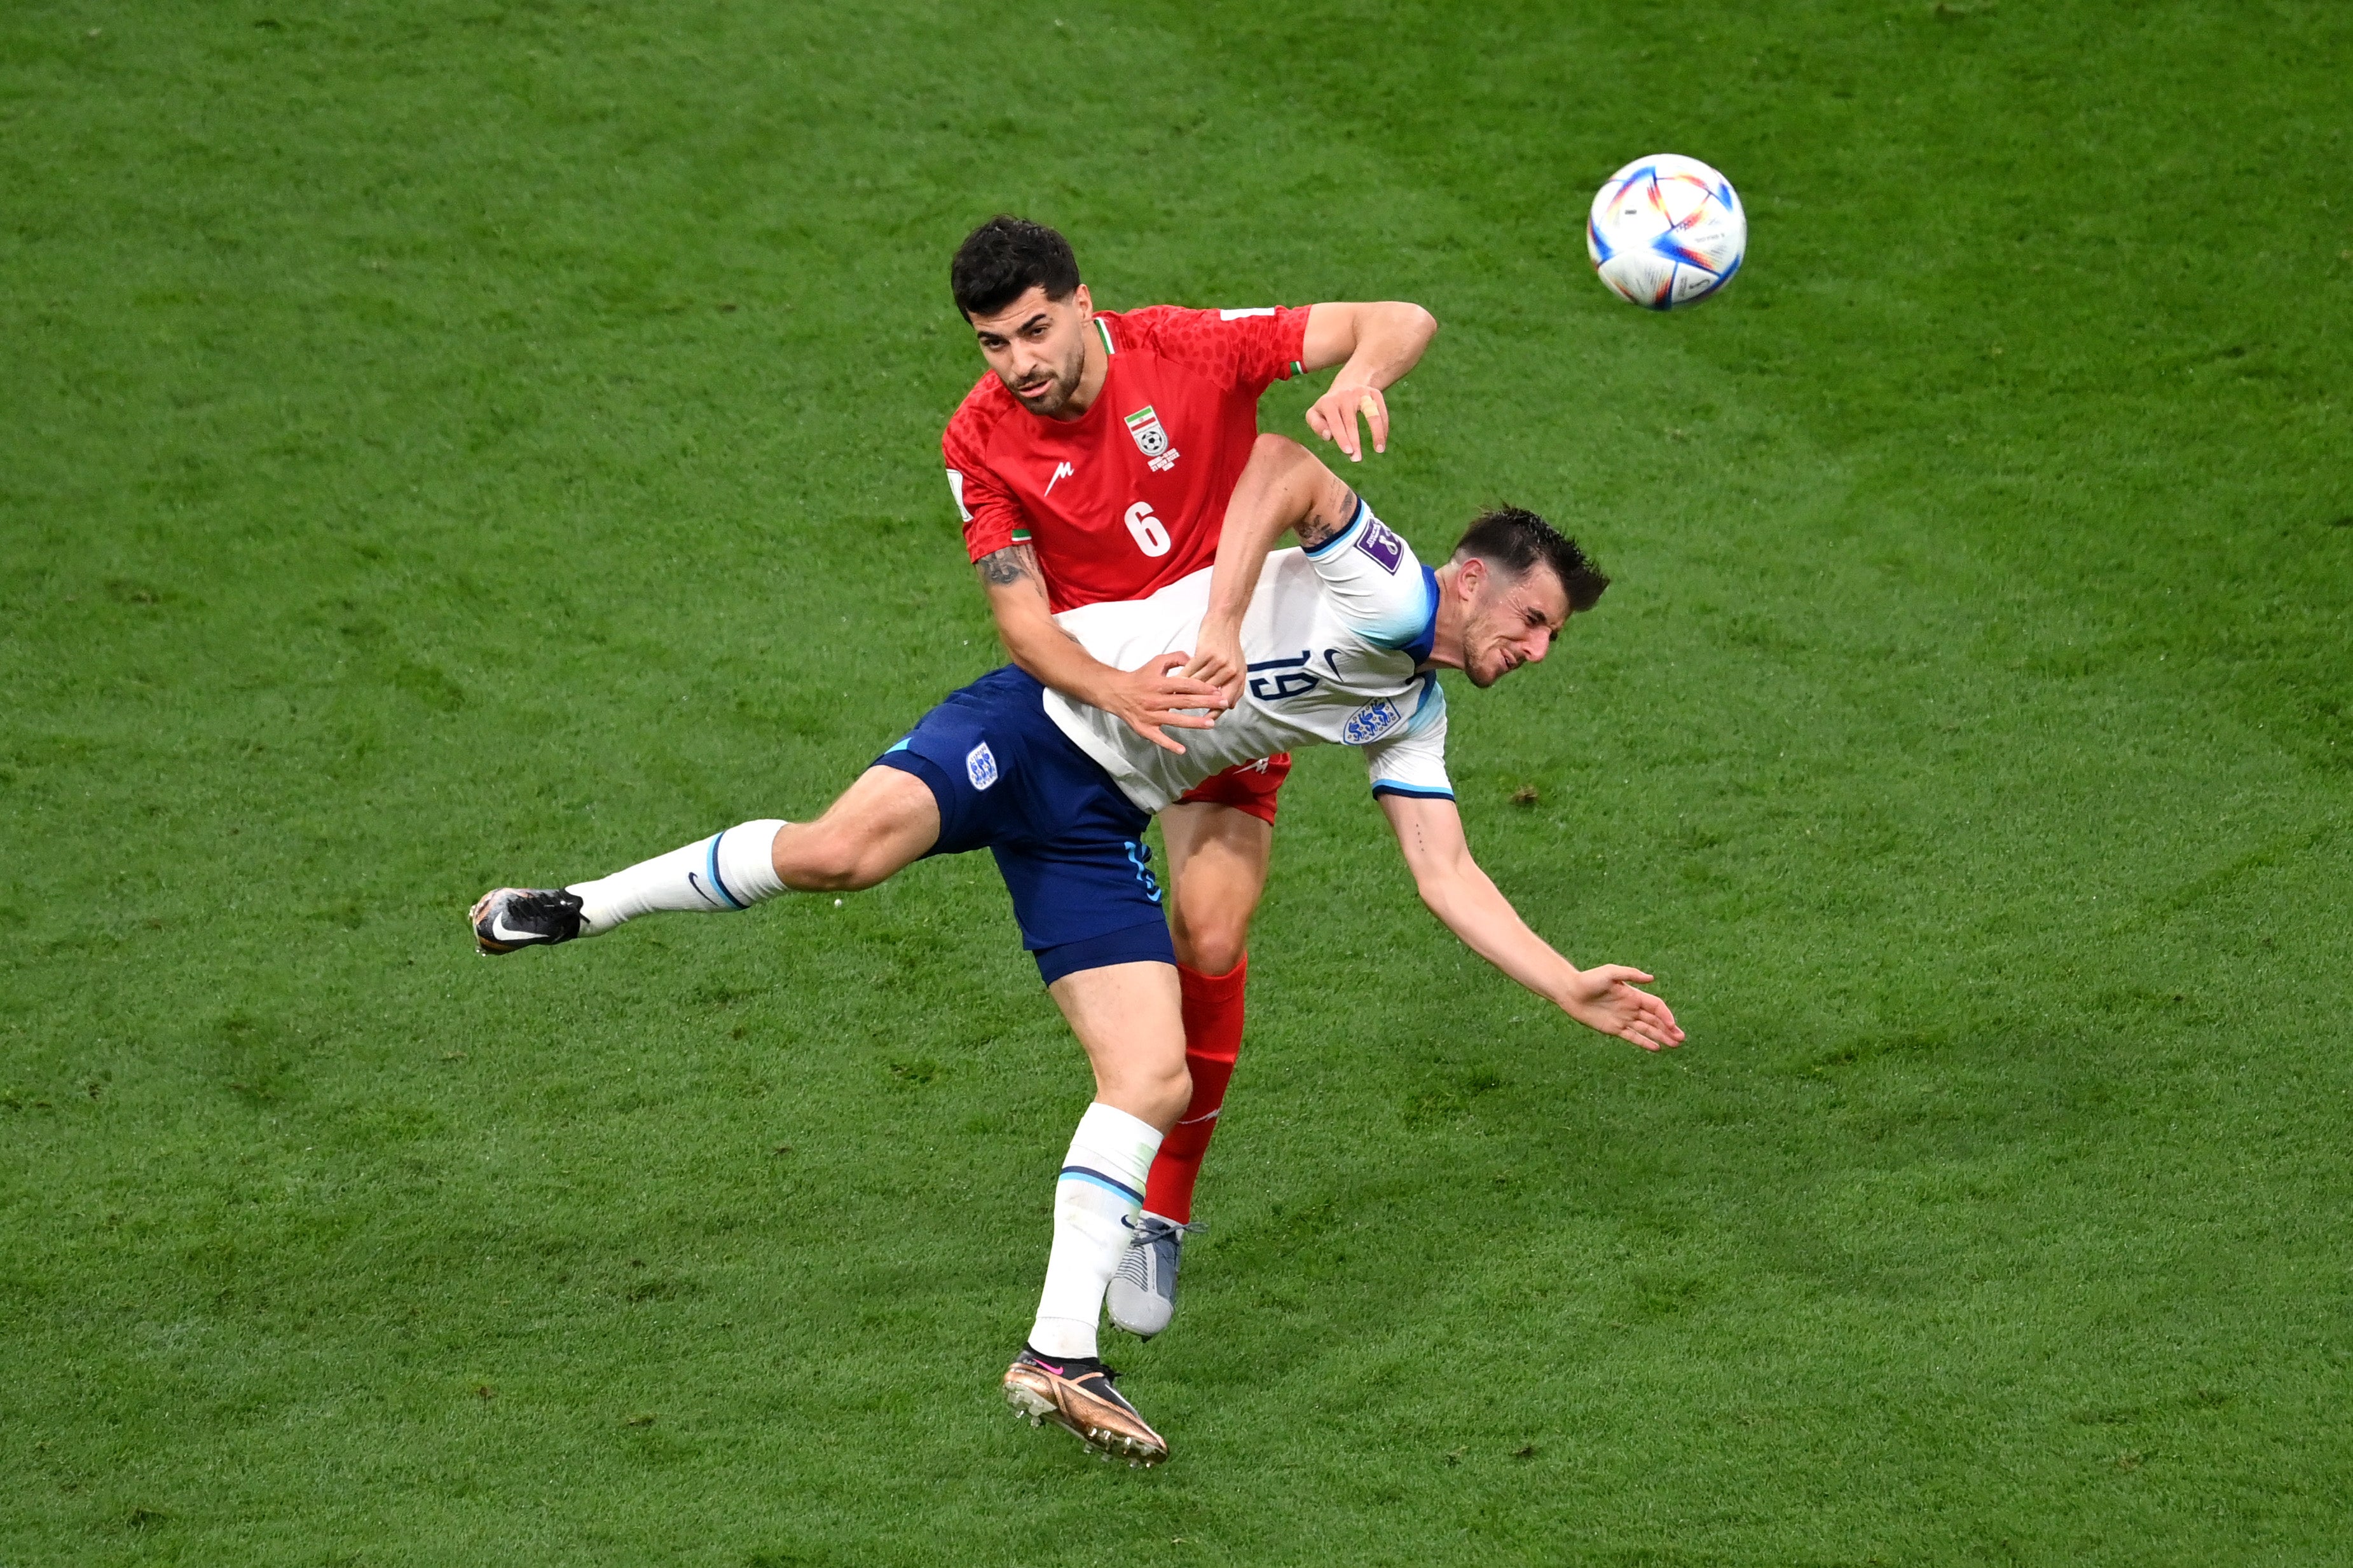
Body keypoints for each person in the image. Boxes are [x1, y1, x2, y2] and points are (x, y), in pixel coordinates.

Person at [469, 437, 1684, 1466]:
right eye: (1530, 620)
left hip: (1097, 822)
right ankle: (582, 903)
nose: (1531, 650)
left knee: (1149, 1078)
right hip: (1038, 722)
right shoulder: (1392, 592)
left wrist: (1564, 982)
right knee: (841, 855)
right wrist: (1217, 617)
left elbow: (1446, 872)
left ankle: (1059, 1354)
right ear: (1471, 580)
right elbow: (1281, 461)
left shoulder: (1414, 707)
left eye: (1550, 642)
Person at [942, 216, 1441, 1337]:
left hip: (1229, 693)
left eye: (1034, 329)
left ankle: (1159, 1209)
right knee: (857, 846)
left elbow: (1398, 318)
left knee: (1210, 936)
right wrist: (1114, 695)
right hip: (1103, 708)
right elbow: (1019, 620)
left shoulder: (1186, 349)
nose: (1020, 362)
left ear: (1082, 302)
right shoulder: (976, 436)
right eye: (992, 342)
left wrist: (1358, 375)